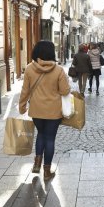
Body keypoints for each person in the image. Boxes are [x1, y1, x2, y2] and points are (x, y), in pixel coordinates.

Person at [19, 40, 71, 181]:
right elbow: (65, 91)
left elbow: (25, 91)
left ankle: (37, 163)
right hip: (53, 111)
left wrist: (22, 106)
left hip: (36, 110)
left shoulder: (30, 68)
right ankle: (47, 171)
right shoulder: (58, 70)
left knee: (40, 134)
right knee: (50, 138)